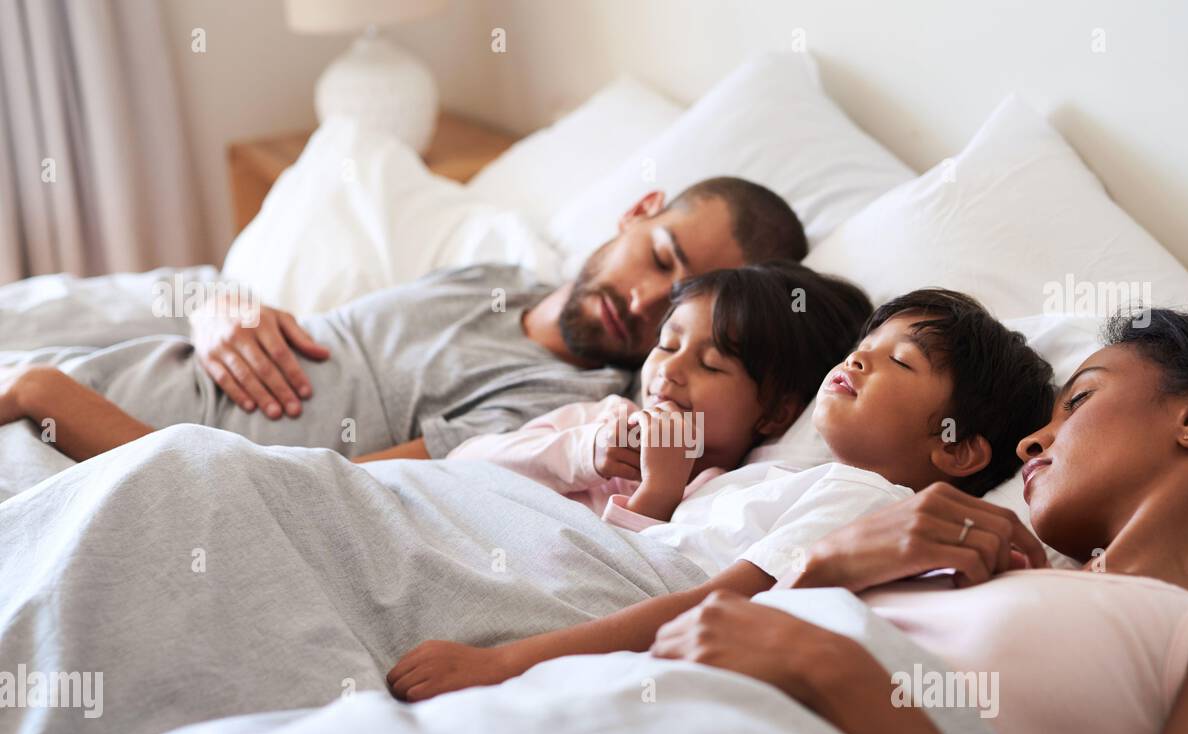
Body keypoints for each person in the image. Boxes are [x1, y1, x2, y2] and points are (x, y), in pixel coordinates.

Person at [648, 309, 1188, 734]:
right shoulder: (972, 565)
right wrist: (817, 573)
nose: (1032, 443)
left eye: (1078, 401)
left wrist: (844, 682)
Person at [387, 288, 1056, 699]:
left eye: (900, 360)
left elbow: (722, 598)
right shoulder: (767, 476)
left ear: (957, 447)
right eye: (865, 345)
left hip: (577, 616)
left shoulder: (865, 497)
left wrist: (506, 661)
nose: (858, 359)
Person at [0, 178, 807, 464]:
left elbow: (331, 487)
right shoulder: (498, 274)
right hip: (110, 371)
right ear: (636, 212)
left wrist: (55, 400)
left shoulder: (561, 404)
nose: (643, 300)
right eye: (661, 258)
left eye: (676, 303)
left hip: (97, 439)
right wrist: (224, 304)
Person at [447, 262, 869, 521]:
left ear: (775, 414)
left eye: (711, 365)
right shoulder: (601, 420)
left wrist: (658, 496)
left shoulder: (719, 496)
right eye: (667, 344)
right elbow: (460, 465)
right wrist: (581, 452)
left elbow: (613, 584)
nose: (671, 368)